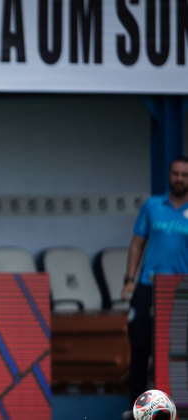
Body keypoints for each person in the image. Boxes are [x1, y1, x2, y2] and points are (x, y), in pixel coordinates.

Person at [120, 157, 188, 420]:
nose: (180, 178)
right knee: (140, 348)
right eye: (176, 173)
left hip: (181, 291)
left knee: (177, 351)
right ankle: (137, 408)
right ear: (169, 175)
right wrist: (129, 279)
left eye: (184, 174)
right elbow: (137, 243)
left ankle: (175, 408)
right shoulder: (152, 206)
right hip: (149, 286)